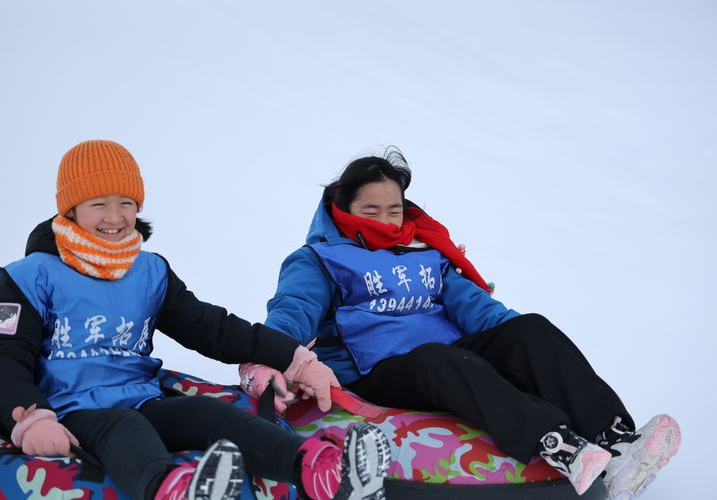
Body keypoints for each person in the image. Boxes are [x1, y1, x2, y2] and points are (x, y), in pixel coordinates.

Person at [251, 148, 680, 498]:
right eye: (370, 210)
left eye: (393, 210)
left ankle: (616, 442)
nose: (385, 221)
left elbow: (475, 306)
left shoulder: (423, 254)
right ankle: (557, 443)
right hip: (376, 372)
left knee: (529, 329)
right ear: (342, 208)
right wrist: (271, 353)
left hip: (448, 359)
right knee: (437, 358)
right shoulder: (320, 259)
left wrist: (520, 348)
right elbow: (294, 307)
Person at [0, 140, 391, 500]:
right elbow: (3, 358)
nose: (114, 217)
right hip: (70, 407)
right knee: (125, 428)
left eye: (126, 203)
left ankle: (319, 470)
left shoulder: (149, 272)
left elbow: (211, 329)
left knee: (208, 415)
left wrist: (293, 358)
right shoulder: (30, 277)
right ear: (71, 209)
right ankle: (171, 489)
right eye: (98, 204)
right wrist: (29, 417)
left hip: (140, 397)